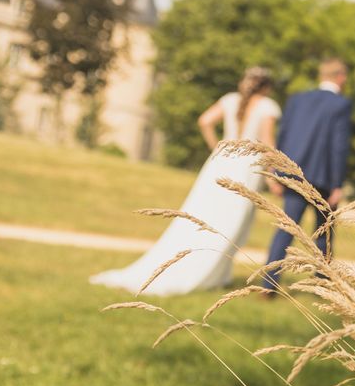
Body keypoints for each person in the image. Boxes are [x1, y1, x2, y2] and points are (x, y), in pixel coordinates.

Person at [90, 67, 281, 295]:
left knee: (204, 215)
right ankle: (213, 273)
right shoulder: (268, 107)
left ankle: (217, 274)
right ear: (267, 87)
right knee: (230, 222)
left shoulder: (230, 100)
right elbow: (268, 144)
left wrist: (217, 148)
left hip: (221, 162)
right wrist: (273, 177)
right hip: (246, 168)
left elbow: (205, 121)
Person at [262, 58, 353, 293]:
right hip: (322, 177)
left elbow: (283, 136)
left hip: (292, 173)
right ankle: (322, 283)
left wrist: (275, 170)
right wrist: (337, 184)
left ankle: (268, 285)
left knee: (286, 228)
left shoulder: (297, 99)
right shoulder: (340, 105)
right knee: (324, 233)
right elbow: (338, 146)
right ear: (341, 77)